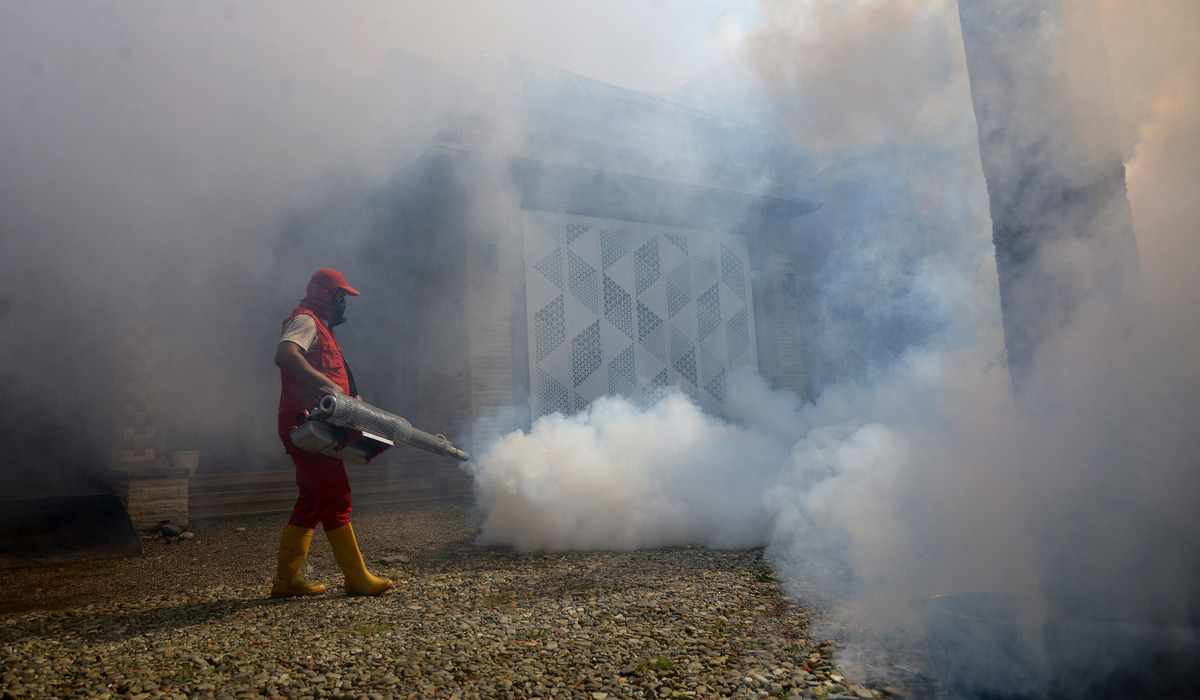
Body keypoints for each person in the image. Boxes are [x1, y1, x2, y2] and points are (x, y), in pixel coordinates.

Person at [270, 268, 393, 598]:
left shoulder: (323, 330)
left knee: (311, 501)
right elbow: (285, 355)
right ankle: (356, 578)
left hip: (317, 423)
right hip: (306, 424)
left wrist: (349, 398)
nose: (343, 305)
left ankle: (287, 581)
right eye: (341, 297)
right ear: (325, 294)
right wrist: (328, 386)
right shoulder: (306, 321)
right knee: (335, 495)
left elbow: (330, 375)